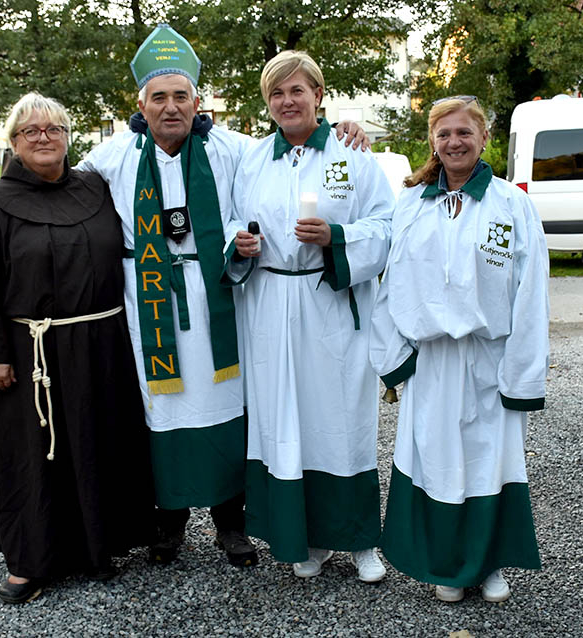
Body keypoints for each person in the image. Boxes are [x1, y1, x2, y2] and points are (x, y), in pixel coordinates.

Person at [76, 26, 370, 569]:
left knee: (227, 404)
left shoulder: (233, 149)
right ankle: (169, 524)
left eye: (181, 96)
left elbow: (297, 150)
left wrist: (343, 128)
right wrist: (0, 194)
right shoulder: (112, 156)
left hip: (219, 300)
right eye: (159, 97)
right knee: (161, 405)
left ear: (196, 101)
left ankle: (230, 524)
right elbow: (62, 192)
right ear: (140, 103)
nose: (171, 108)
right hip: (152, 302)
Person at [0, 92, 155, 604]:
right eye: (30, 132)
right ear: (14, 143)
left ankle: (97, 547)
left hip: (100, 343)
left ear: (68, 136)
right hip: (31, 353)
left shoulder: (95, 187)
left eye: (52, 129)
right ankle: (31, 560)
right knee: (32, 455)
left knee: (95, 444)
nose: (43, 138)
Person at [369, 96, 549, 602]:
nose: (454, 142)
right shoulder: (412, 205)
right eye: (444, 134)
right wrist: (394, 356)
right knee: (437, 460)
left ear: (483, 137)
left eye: (463, 132)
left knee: (490, 460)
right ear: (433, 141)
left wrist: (523, 369)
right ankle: (445, 564)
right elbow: (389, 286)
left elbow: (531, 291)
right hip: (431, 362)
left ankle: (488, 564)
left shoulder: (511, 204)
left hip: (490, 359)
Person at [226, 50, 394, 582]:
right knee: (286, 422)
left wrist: (336, 238)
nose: (287, 101)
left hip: (330, 303)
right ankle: (308, 539)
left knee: (342, 421)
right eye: (276, 93)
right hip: (272, 306)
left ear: (318, 95)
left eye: (297, 90)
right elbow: (232, 217)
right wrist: (241, 240)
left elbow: (387, 226)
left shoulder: (350, 152)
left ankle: (361, 540)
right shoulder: (253, 159)